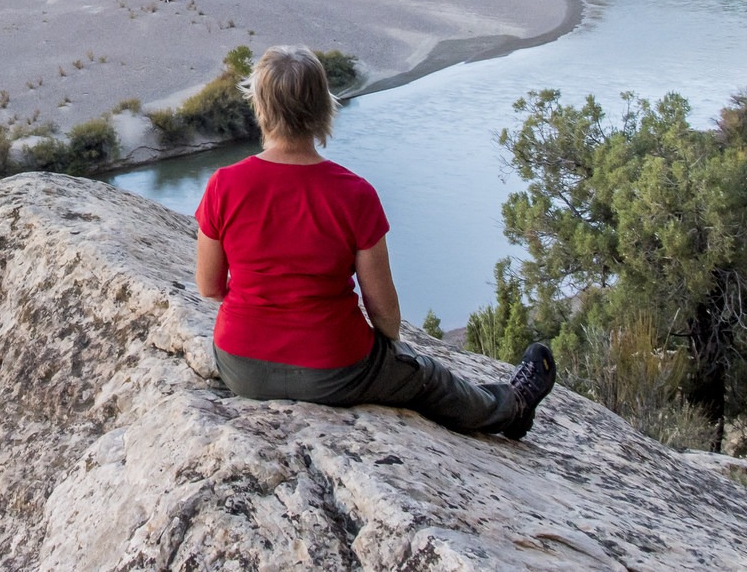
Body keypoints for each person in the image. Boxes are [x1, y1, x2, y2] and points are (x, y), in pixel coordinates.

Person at [194, 44, 556, 438]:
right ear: (322, 108)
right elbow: (383, 312)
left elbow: (209, 286)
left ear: (260, 107)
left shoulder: (223, 185)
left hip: (240, 367)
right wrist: (392, 357)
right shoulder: (354, 194)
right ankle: (512, 408)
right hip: (335, 367)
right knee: (427, 376)